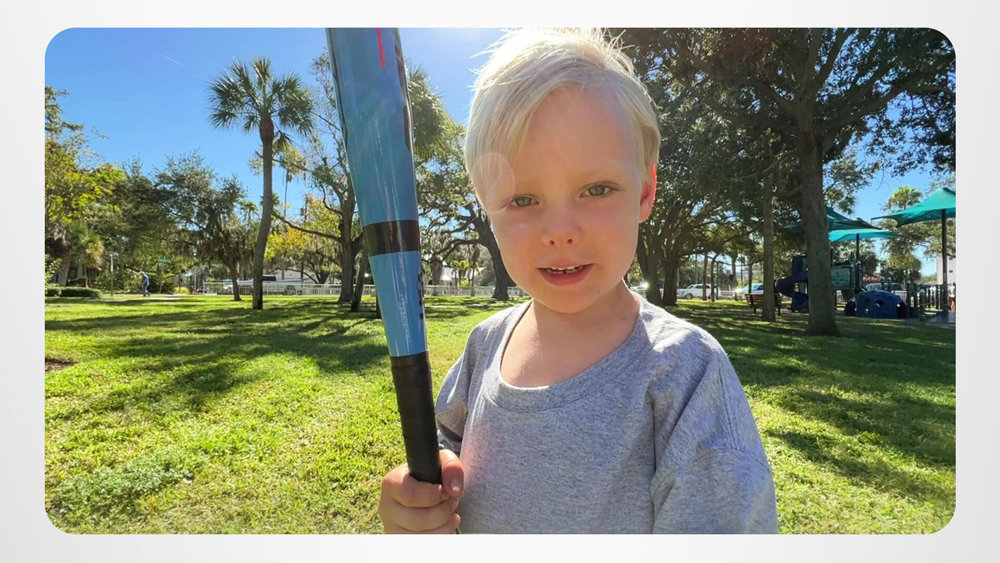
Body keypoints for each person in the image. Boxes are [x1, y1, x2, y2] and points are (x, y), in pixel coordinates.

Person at [378, 28, 778, 534]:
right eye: (523, 200)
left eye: (596, 189)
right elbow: (445, 445)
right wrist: (420, 497)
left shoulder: (685, 374)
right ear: (489, 210)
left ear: (645, 191)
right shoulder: (485, 344)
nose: (560, 231)